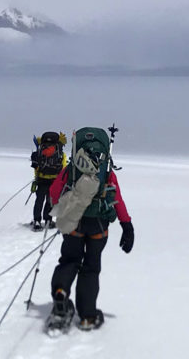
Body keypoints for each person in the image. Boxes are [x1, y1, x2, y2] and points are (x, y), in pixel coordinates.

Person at [47, 127, 135, 331]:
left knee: (69, 260)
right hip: (98, 226)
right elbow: (117, 199)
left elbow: (54, 191)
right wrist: (126, 225)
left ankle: (60, 294)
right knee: (91, 267)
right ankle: (87, 316)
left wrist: (60, 210)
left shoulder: (71, 169)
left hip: (74, 223)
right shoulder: (106, 172)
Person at [29, 131, 67, 231]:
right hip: (54, 180)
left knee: (39, 200)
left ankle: (37, 221)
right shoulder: (60, 153)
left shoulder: (40, 150)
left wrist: (36, 178)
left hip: (42, 179)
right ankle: (48, 220)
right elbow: (63, 168)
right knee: (50, 201)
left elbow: (36, 167)